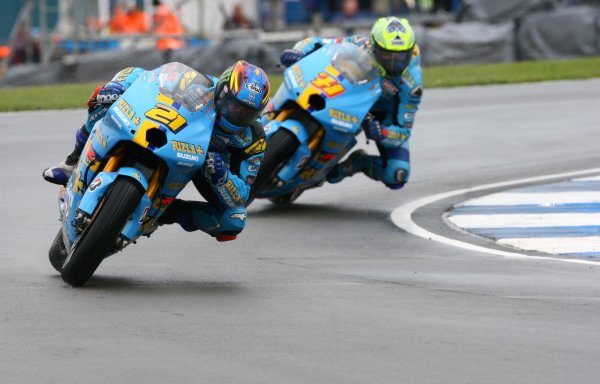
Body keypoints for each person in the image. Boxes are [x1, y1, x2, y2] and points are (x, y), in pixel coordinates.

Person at [42, 61, 270, 241]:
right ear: (221, 90)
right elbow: (145, 75)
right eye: (231, 104)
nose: (235, 114)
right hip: (173, 139)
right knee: (103, 100)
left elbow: (242, 195)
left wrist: (223, 177)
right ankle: (73, 160)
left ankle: (162, 214)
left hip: (208, 168)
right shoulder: (199, 86)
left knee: (235, 219)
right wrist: (118, 86)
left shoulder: (254, 138)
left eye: (245, 113)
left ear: (257, 114)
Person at [279, 16, 423, 190]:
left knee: (397, 174)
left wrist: (382, 132)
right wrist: (299, 52)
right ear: (374, 47)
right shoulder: (360, 44)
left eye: (401, 57)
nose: (394, 63)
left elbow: (403, 131)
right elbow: (317, 43)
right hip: (352, 98)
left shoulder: (412, 83)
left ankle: (357, 163)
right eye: (387, 55)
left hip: (381, 118)